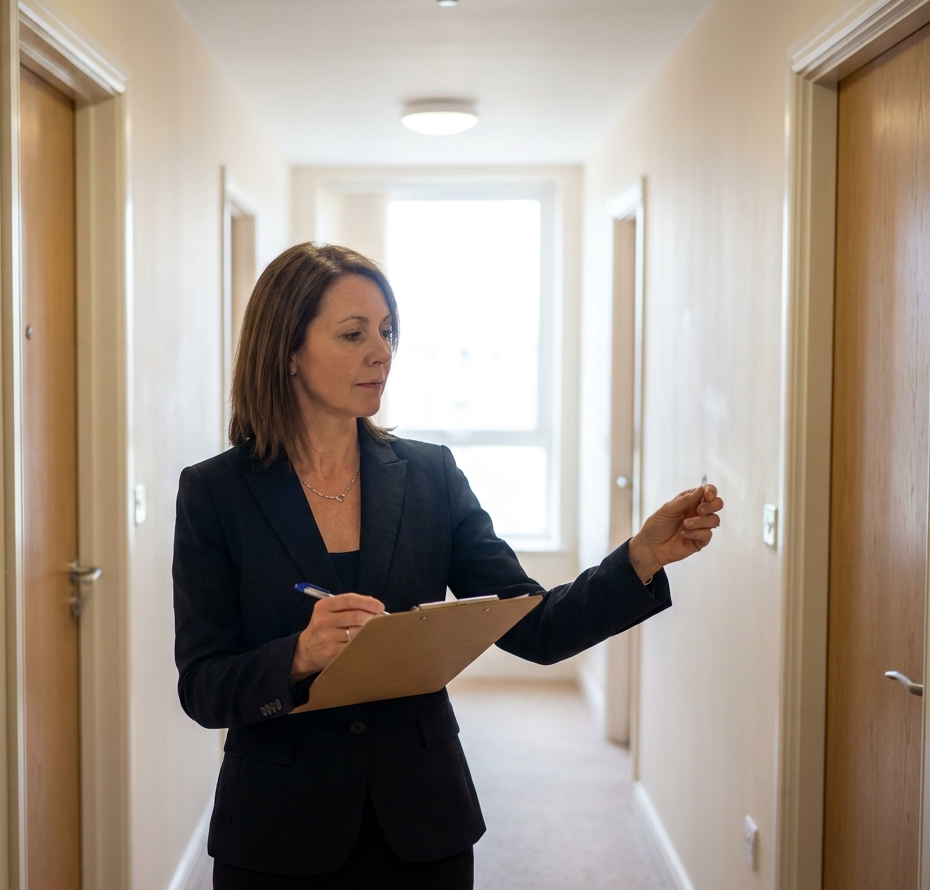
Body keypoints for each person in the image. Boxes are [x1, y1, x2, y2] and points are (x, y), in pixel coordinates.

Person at [172, 243, 723, 889]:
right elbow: (203, 686)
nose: (381, 351)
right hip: (277, 830)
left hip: (422, 821)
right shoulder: (215, 492)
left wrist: (640, 559)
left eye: (387, 331)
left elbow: (534, 628)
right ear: (286, 350)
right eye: (354, 334)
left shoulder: (430, 476)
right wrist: (298, 655)